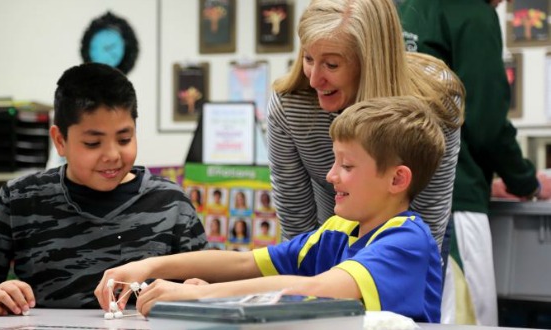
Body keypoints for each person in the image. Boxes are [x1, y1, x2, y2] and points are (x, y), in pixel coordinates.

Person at [95, 96, 446, 322]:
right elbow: (245, 263)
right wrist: (149, 265)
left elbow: (320, 288)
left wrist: (200, 295)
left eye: (348, 166)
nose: (330, 175)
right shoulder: (338, 229)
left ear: (398, 179)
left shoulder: (406, 240)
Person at [0, 63, 208, 315]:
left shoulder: (171, 202)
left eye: (124, 139)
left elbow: (215, 281)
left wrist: (202, 289)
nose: (112, 155)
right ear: (60, 141)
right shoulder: (20, 199)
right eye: (92, 143)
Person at [266, 0, 464, 256]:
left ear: (371, 60)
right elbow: (297, 229)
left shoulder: (436, 99)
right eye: (308, 58)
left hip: (410, 244)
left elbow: (428, 221)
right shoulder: (289, 105)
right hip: (328, 239)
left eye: (332, 65)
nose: (315, 79)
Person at [398, 0, 551, 325]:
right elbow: (485, 125)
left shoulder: (404, 8)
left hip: (398, 197)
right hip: (454, 202)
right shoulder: (471, 13)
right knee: (468, 318)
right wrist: (527, 181)